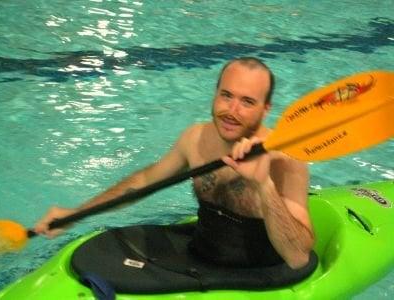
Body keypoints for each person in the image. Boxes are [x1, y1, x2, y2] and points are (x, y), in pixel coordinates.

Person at [35, 57, 314, 269]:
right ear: (215, 94)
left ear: (266, 109)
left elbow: (298, 257)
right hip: (200, 255)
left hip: (263, 273)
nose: (232, 111)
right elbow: (142, 183)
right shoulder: (195, 139)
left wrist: (263, 185)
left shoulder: (285, 159)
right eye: (226, 95)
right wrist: (75, 214)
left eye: (247, 102)